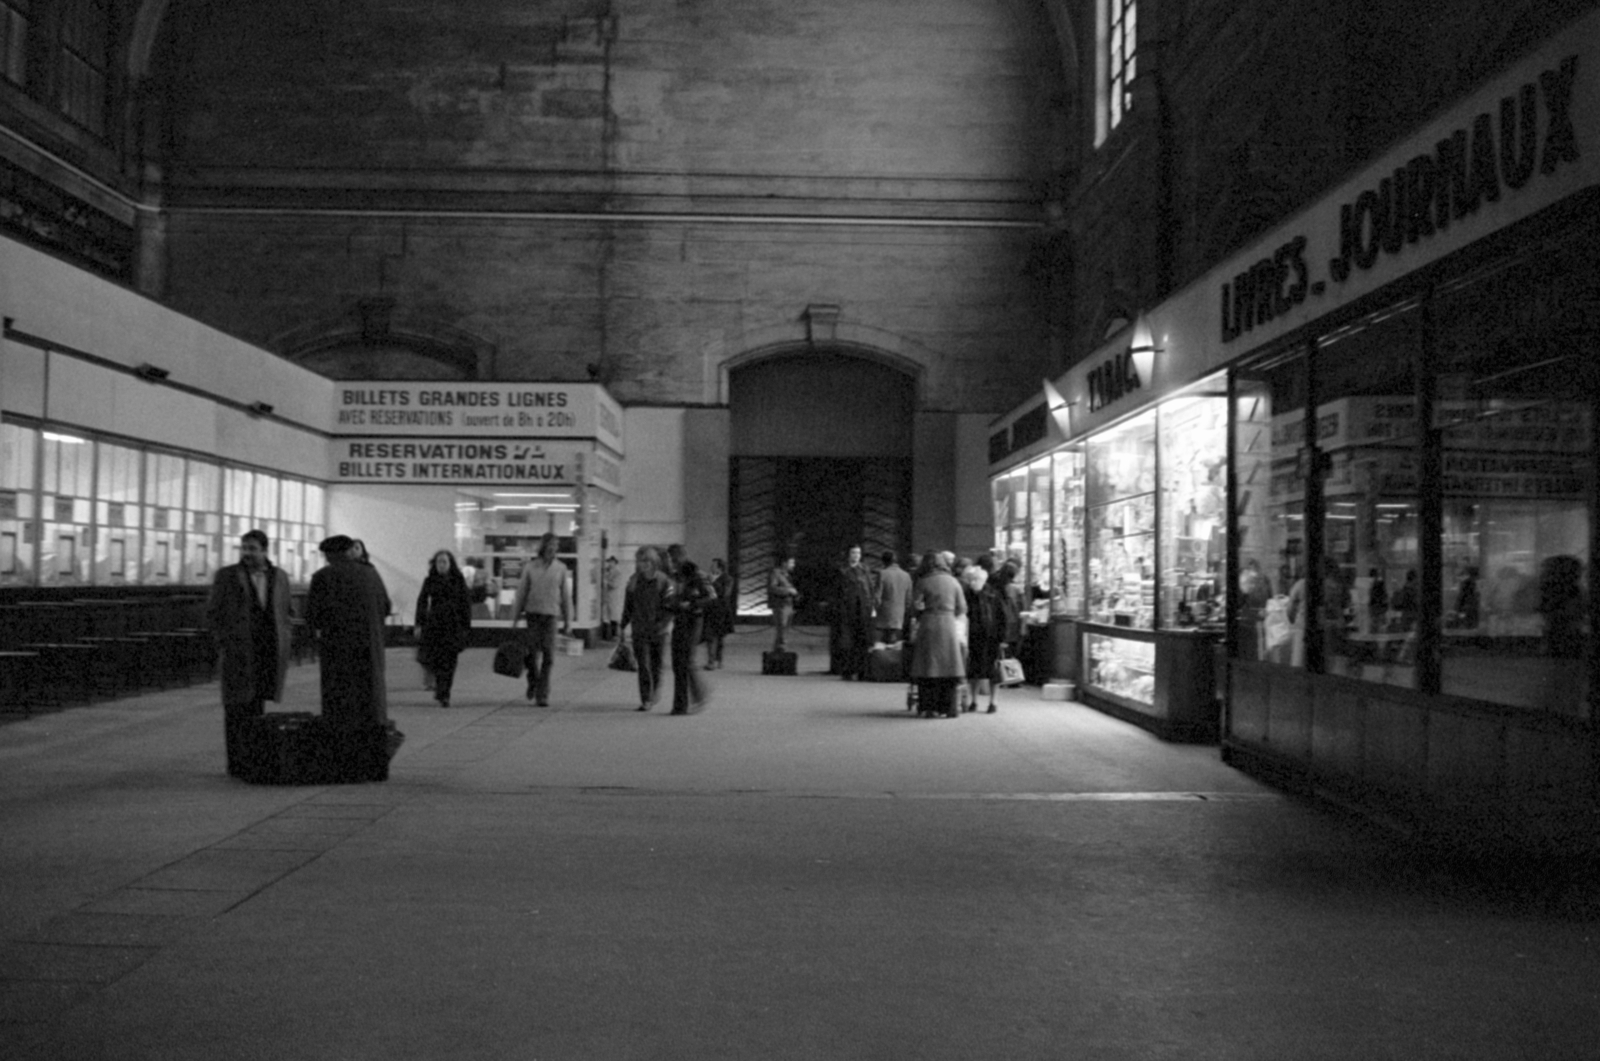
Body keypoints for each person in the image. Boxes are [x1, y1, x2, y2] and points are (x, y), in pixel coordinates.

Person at [205, 529, 293, 777]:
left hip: (267, 649)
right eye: (244, 548)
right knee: (235, 705)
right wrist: (224, 640)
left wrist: (285, 637)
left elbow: (286, 611)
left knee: (257, 704)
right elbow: (214, 611)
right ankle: (237, 763)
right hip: (237, 650)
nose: (247, 553)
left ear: (265, 551)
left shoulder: (279, 577)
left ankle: (254, 758)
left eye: (253, 549)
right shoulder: (227, 576)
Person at [306, 534, 391, 732]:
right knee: (368, 697)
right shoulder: (371, 574)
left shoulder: (322, 577)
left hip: (338, 652)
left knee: (340, 704)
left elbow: (313, 617)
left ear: (330, 555)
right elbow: (386, 607)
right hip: (370, 648)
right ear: (348, 552)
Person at [509, 532, 572, 707]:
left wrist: (568, 621)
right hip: (533, 615)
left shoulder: (561, 568)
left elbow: (565, 596)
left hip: (551, 616)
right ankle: (533, 681)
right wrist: (514, 618)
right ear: (543, 546)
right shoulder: (530, 567)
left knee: (549, 656)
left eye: (556, 545)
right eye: (551, 544)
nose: (553, 548)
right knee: (531, 654)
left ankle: (542, 694)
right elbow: (521, 593)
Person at [909, 551, 967, 718]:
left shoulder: (923, 581)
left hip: (928, 624)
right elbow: (962, 608)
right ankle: (949, 708)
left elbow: (914, 607)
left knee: (928, 668)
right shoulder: (954, 582)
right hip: (948, 625)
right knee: (949, 667)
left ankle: (929, 707)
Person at [414, 550, 473, 708]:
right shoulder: (430, 580)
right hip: (435, 625)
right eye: (439, 562)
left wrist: (466, 625)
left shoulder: (458, 581)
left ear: (450, 563)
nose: (441, 565)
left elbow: (465, 604)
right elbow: (422, 602)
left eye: (444, 562)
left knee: (451, 661)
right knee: (437, 659)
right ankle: (441, 689)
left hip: (453, 625)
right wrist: (419, 623)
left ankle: (445, 692)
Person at [621, 546, 674, 711]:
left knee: (657, 665)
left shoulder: (664, 581)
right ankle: (646, 699)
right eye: (639, 561)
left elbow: (670, 606)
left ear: (653, 562)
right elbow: (628, 605)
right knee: (643, 664)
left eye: (645, 560)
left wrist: (664, 623)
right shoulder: (634, 581)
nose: (642, 564)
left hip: (659, 630)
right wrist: (622, 625)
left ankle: (654, 691)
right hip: (640, 629)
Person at [666, 545, 713, 714]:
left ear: (683, 556)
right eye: (671, 559)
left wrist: (692, 604)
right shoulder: (676, 576)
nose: (673, 562)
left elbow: (711, 596)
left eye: (675, 558)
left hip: (693, 621)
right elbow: (673, 595)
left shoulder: (697, 574)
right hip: (680, 619)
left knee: (686, 661)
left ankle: (696, 696)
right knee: (677, 663)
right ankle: (681, 704)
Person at [962, 556, 1004, 714]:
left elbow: (1001, 617)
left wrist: (1002, 637)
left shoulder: (991, 595)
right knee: (975, 671)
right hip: (976, 638)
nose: (973, 582)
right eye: (971, 579)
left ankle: (991, 702)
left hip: (988, 637)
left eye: (975, 579)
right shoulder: (972, 595)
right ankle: (976, 701)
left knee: (990, 671)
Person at [836, 544, 876, 680]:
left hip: (863, 609)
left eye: (858, 553)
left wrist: (872, 606)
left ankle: (861, 671)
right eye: (853, 553)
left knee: (862, 641)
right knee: (848, 642)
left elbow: (870, 588)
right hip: (848, 610)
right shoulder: (842, 570)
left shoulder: (864, 569)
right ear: (848, 554)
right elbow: (838, 591)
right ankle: (847, 670)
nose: (856, 555)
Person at [703, 558, 735, 669]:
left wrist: (714, 583)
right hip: (709, 610)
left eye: (714, 565)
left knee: (720, 637)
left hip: (722, 611)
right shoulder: (707, 578)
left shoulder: (728, 579)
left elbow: (725, 594)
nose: (711, 567)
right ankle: (711, 660)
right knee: (710, 636)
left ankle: (718, 659)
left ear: (720, 567)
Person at [875, 551, 912, 646]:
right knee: (896, 644)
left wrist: (875, 610)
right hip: (900, 615)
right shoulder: (906, 575)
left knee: (882, 644)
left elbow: (877, 596)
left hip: (884, 615)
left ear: (884, 562)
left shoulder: (882, 574)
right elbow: (908, 598)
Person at [767, 555, 799, 652]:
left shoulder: (788, 575)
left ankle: (778, 653)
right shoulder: (775, 573)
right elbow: (772, 588)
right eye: (791, 563)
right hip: (780, 606)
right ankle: (781, 652)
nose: (793, 565)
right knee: (781, 632)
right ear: (784, 563)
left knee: (785, 631)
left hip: (789, 605)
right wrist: (788, 591)